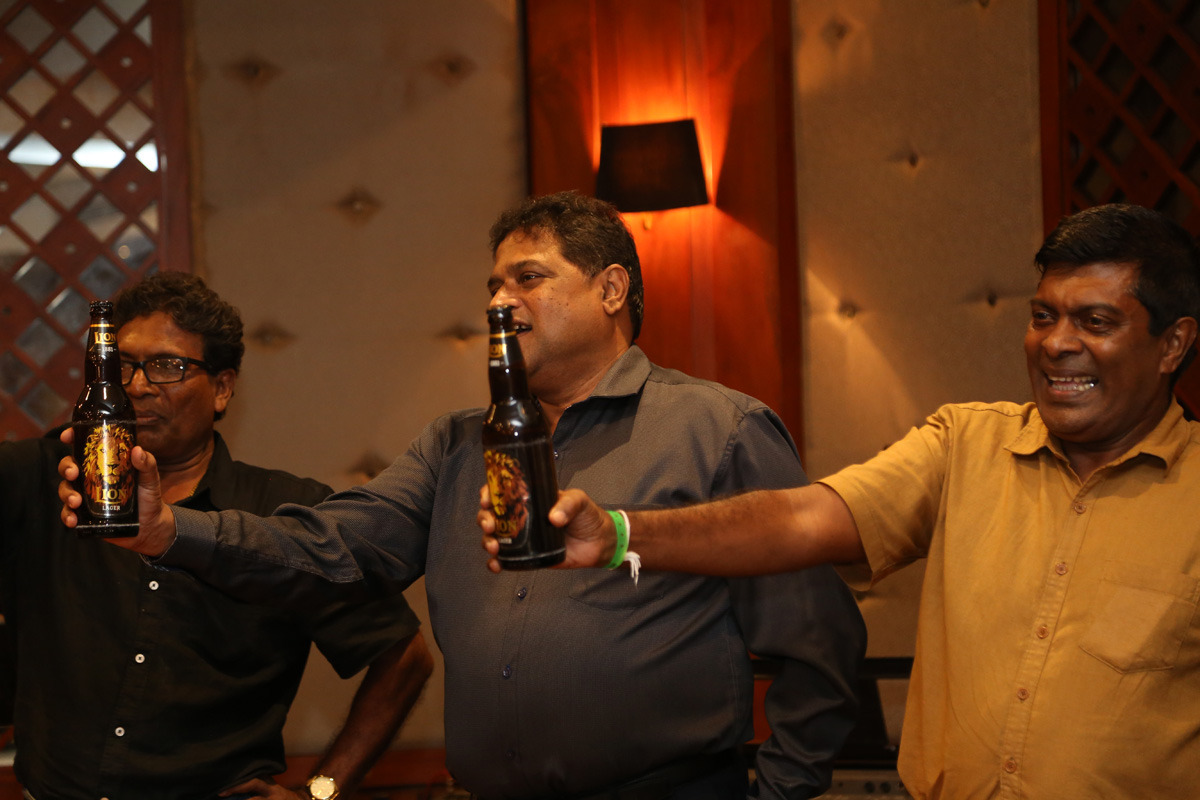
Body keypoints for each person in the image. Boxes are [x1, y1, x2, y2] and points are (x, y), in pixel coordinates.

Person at [64, 193, 867, 799]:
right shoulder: (456, 445)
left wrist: (782, 791)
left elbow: (820, 642)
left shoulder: (717, 429)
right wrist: (169, 530)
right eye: (493, 284)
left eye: (528, 278)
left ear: (612, 289)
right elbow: (329, 546)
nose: (499, 301)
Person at [483, 202, 1200, 800]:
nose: (1057, 344)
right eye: (1043, 317)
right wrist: (616, 534)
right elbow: (799, 518)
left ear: (1172, 345)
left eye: (1095, 323)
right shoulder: (965, 444)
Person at [3, 272, 433, 800]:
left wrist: (321, 792)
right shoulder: (45, 480)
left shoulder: (284, 515)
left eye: (167, 366)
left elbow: (404, 658)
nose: (136, 385)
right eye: (122, 365)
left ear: (223, 388)